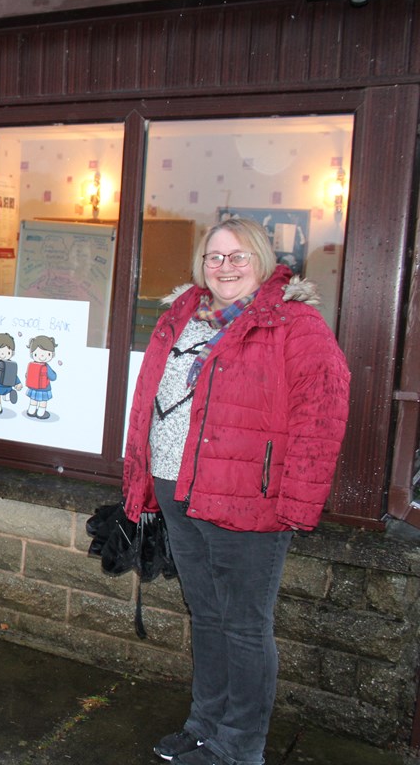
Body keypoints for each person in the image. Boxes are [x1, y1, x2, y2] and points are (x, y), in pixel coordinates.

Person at [122, 218, 350, 765]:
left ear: (263, 261)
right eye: (215, 257)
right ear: (202, 264)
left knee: (245, 625)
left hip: (250, 496)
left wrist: (297, 502)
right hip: (179, 487)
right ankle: (204, 725)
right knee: (205, 613)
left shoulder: (295, 323)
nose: (226, 267)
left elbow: (322, 415)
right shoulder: (183, 314)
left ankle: (240, 746)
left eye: (239, 256)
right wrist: (142, 475)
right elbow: (152, 397)